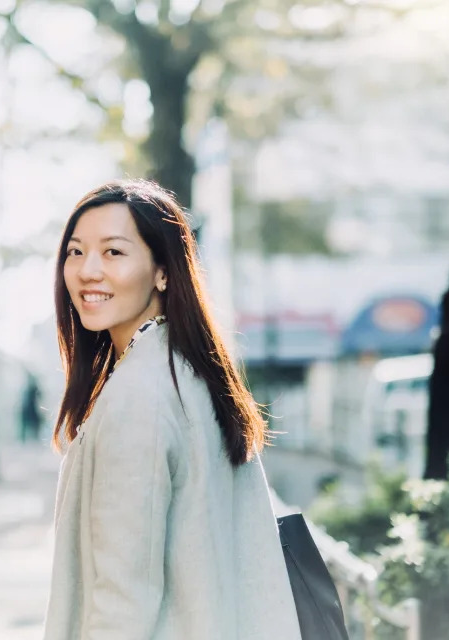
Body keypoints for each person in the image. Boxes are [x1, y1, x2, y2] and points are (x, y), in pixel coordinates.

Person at [43, 180, 301, 639]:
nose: (87, 271)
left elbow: (123, 598)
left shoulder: (138, 396)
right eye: (76, 252)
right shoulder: (192, 374)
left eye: (114, 252)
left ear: (163, 270)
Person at [19, 372, 43, 442]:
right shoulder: (27, 391)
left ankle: (33, 441)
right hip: (30, 414)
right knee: (31, 433)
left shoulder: (31, 391)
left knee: (34, 433)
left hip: (32, 414)